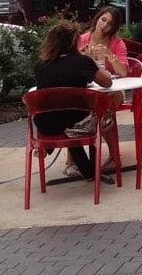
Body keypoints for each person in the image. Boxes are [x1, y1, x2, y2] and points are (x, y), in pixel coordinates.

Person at [33, 19, 114, 182]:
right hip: (77, 124)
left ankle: (52, 150)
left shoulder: (41, 65)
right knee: (104, 114)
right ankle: (93, 169)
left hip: (46, 125)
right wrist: (91, 62)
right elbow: (107, 82)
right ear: (73, 42)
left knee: (62, 114)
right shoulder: (81, 62)